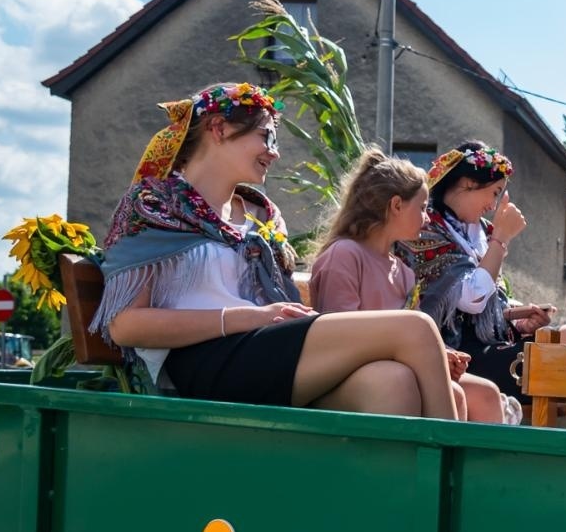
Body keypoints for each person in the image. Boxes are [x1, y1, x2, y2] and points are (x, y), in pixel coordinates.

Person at [93, 83, 457, 420]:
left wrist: (267, 319)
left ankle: (400, 474)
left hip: (263, 354)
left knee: (391, 382)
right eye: (265, 136)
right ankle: (457, 460)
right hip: (201, 362)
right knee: (416, 328)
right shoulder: (154, 203)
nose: (274, 151)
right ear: (218, 129)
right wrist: (246, 318)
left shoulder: (261, 214)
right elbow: (125, 326)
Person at [310, 148, 514, 424]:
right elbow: (337, 337)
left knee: (486, 393)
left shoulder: (403, 272)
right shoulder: (345, 254)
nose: (427, 217)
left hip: (394, 363)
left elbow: (415, 333)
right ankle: (437, 452)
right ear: (396, 205)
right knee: (452, 394)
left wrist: (443, 354)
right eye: (421, 208)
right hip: (345, 373)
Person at [409, 141, 566, 402]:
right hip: (459, 357)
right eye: (494, 192)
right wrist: (501, 239)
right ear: (468, 183)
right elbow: (471, 300)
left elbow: (488, 308)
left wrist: (519, 322)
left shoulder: (480, 232)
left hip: (494, 346)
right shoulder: (426, 227)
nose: (493, 205)